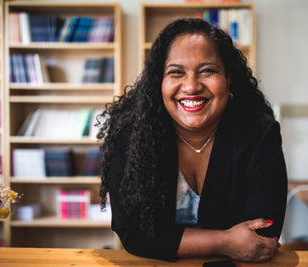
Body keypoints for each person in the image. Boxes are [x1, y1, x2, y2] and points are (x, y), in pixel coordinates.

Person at [97, 18, 287, 263]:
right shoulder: (131, 136)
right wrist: (226, 240)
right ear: (160, 82)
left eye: (207, 71)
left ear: (228, 78)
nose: (191, 86)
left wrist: (166, 240)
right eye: (176, 72)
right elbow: (134, 235)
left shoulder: (259, 133)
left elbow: (262, 236)